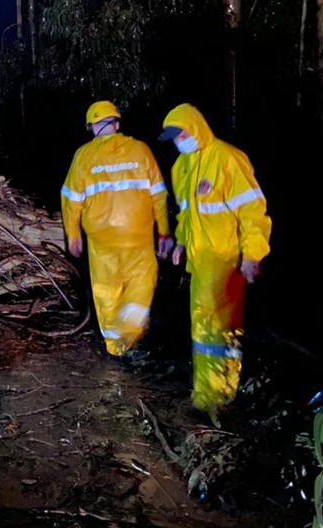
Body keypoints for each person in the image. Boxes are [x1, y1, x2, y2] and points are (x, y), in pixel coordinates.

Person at [159, 103, 272, 417]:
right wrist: (181, 243)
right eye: (174, 137)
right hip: (200, 264)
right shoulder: (181, 167)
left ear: (196, 127)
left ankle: (219, 397)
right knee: (204, 331)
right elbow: (186, 214)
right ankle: (207, 396)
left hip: (226, 261)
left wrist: (253, 254)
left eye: (182, 134)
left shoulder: (227, 158)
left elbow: (252, 211)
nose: (179, 141)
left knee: (221, 331)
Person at [60, 101, 173, 358]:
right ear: (117, 123)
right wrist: (164, 231)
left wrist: (73, 234)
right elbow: (159, 195)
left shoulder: (84, 156)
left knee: (106, 290)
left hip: (102, 240)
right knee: (141, 284)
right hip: (138, 236)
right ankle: (131, 335)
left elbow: (70, 199)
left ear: (92, 127)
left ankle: (115, 347)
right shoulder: (141, 150)